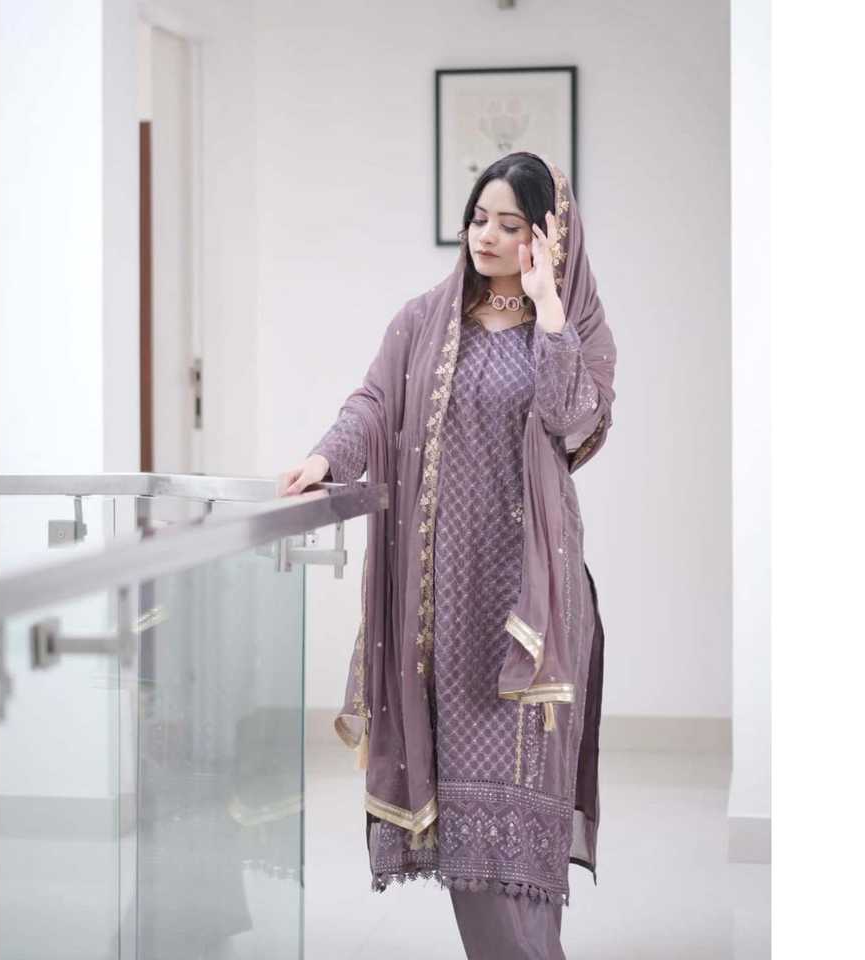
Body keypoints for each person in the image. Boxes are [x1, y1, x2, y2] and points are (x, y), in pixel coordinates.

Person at [278, 152, 616, 959]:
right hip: (443, 607)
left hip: (531, 610)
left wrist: (547, 309)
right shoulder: (421, 322)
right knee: (470, 836)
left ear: (548, 237)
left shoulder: (573, 327)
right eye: (478, 218)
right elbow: (372, 404)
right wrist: (327, 457)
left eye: (510, 223)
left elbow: (574, 422)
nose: (486, 236)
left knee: (521, 833)